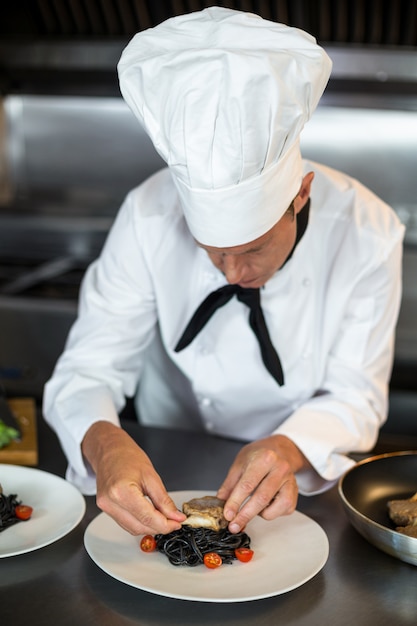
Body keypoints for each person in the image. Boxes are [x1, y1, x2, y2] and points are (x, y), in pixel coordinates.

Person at [43, 7, 404, 538]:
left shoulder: (368, 230)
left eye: (253, 248)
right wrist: (104, 443)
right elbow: (89, 366)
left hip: (299, 482)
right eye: (212, 251)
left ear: (300, 195)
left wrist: (289, 447)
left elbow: (357, 393)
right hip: (166, 452)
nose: (233, 272)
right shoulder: (147, 214)